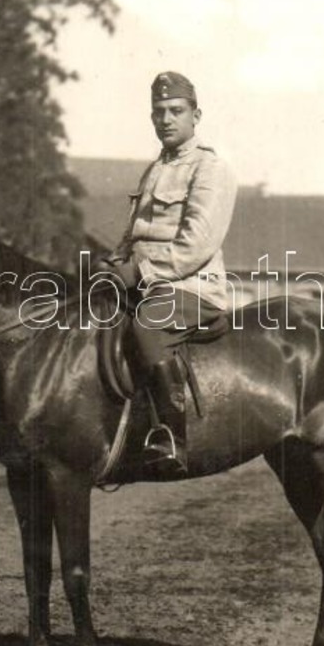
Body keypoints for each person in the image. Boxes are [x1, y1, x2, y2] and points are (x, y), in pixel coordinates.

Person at [100, 71, 237, 478]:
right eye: (159, 112)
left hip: (191, 287)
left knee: (147, 329)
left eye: (176, 110)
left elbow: (197, 243)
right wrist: (109, 265)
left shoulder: (210, 169)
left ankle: (170, 437)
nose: (166, 119)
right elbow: (134, 234)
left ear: (196, 114)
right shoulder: (156, 169)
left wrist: (139, 272)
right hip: (147, 283)